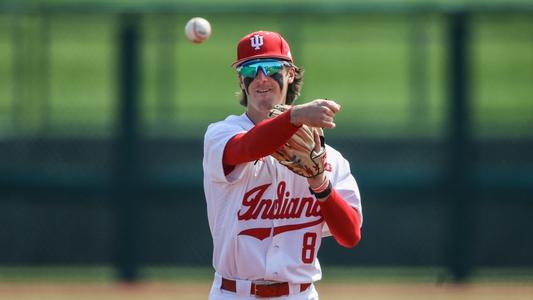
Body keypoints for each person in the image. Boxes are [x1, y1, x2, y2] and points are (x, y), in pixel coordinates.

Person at [203, 30, 363, 300]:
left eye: (273, 67)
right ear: (242, 80)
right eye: (251, 69)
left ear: (290, 74)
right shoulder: (221, 135)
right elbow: (248, 148)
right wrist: (295, 116)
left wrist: (321, 186)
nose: (262, 77)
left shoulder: (328, 157)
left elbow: (350, 235)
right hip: (234, 293)